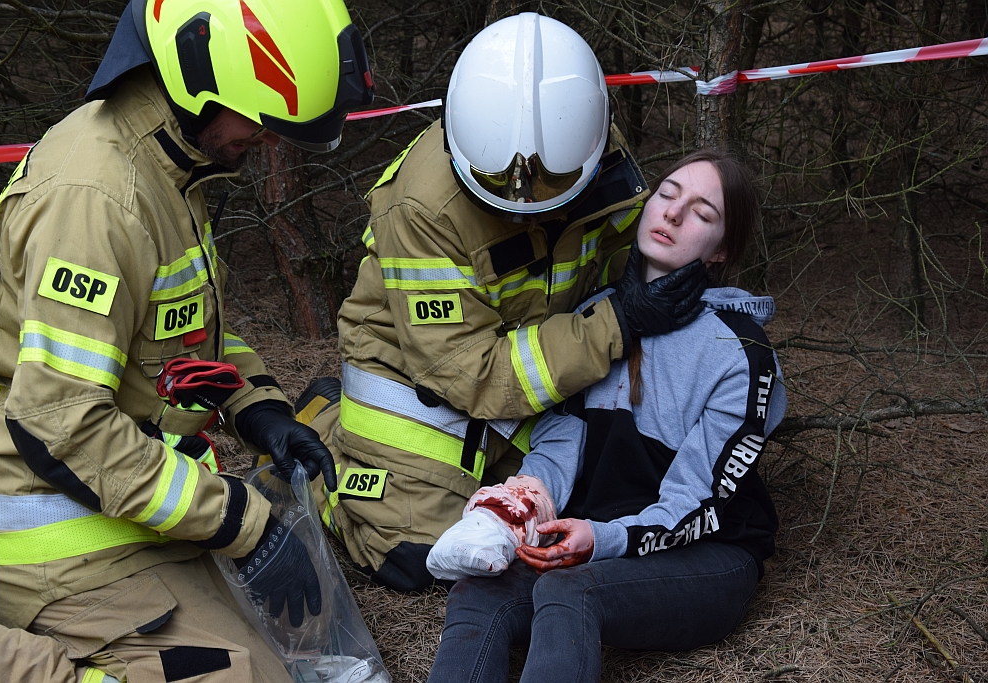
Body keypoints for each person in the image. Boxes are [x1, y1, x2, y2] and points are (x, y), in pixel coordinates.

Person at [0, 0, 373, 680]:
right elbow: (61, 425)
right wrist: (241, 523)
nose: (266, 139)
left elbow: (175, 334)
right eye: (258, 117)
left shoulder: (169, 165)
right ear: (199, 78)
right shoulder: (98, 198)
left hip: (101, 489)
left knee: (300, 630)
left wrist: (258, 410)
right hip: (37, 523)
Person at [302, 12, 708, 593]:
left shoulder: (586, 143)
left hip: (537, 372)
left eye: (550, 192)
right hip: (419, 382)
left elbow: (622, 254)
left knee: (567, 513)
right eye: (499, 192)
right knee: (418, 559)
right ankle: (322, 437)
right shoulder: (422, 207)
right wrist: (616, 325)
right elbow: (465, 371)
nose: (521, 208)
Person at [425, 148, 787, 683]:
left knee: (569, 590)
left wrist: (602, 538)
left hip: (706, 552)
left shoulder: (742, 354)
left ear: (721, 250)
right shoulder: (593, 317)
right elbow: (558, 446)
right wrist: (518, 508)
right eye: (667, 194)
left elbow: (697, 501)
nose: (673, 213)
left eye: (701, 212)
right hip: (593, 538)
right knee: (476, 594)